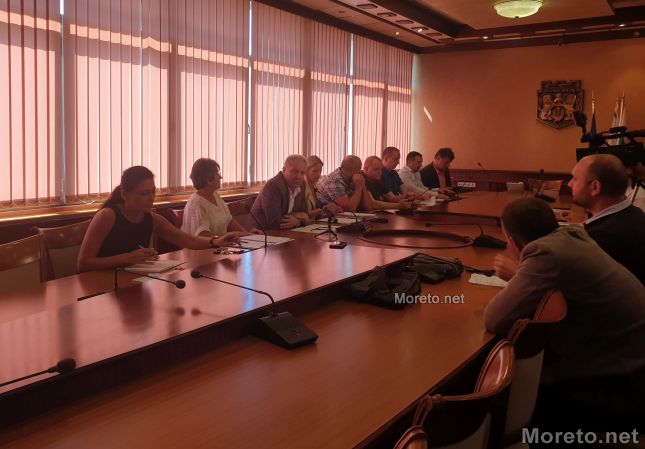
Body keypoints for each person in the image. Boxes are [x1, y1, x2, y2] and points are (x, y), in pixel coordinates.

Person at [484, 198, 645, 431]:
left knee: (510, 380)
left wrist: (519, 274)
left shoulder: (545, 253)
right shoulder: (573, 236)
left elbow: (495, 318)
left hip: (618, 381)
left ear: (513, 240)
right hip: (633, 357)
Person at [78, 166, 242, 272]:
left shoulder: (152, 218)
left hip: (130, 280)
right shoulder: (107, 216)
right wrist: (126, 258)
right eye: (144, 193)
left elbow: (188, 240)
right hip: (100, 282)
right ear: (124, 194)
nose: (151, 198)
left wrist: (216, 241)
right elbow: (83, 263)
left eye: (153, 192)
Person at [568, 154, 645, 284]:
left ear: (595, 187)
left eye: (574, 179)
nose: (569, 184)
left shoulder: (598, 239)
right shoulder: (636, 214)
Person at [181, 158, 253, 237]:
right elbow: (203, 236)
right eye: (217, 174)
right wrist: (232, 235)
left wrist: (248, 235)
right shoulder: (196, 203)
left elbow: (229, 221)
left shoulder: (215, 196)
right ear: (208, 180)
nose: (220, 177)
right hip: (203, 245)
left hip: (220, 244)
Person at [250, 155, 310, 230]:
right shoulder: (273, 186)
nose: (299, 176)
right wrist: (300, 219)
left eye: (302, 173)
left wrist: (298, 220)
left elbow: (305, 213)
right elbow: (275, 222)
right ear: (284, 170)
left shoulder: (302, 184)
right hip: (261, 233)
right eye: (294, 171)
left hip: (286, 232)